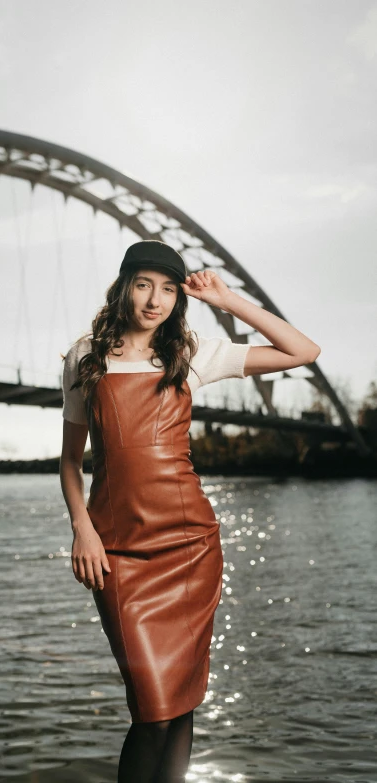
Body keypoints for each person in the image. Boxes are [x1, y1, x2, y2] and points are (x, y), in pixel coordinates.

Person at [59, 239, 320, 783]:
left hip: (191, 548)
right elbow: (69, 463)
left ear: (179, 298)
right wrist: (82, 531)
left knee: (179, 706)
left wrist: (230, 302)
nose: (155, 300)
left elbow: (303, 352)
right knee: (151, 711)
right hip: (118, 555)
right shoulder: (85, 355)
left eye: (169, 289)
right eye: (144, 284)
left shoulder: (191, 352)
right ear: (124, 286)